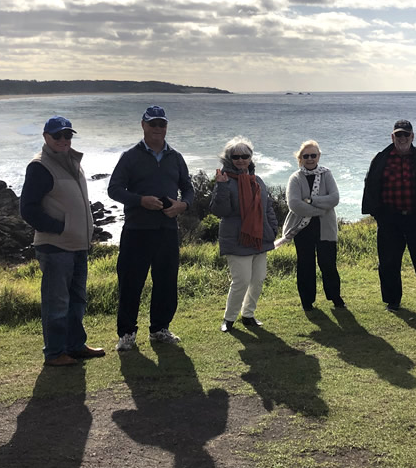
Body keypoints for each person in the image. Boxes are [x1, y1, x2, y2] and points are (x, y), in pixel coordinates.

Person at [19, 116, 105, 367]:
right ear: (46, 137)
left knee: (77, 300)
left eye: (67, 135)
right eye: (57, 136)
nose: (63, 140)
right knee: (57, 303)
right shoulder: (40, 166)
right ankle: (55, 353)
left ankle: (75, 345)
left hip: (77, 245)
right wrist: (61, 228)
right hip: (56, 246)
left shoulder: (73, 161)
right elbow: (28, 209)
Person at [108, 105, 194, 348]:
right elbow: (114, 189)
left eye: (161, 124)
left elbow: (188, 188)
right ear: (143, 125)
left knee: (166, 282)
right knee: (130, 283)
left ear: (166, 127)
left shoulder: (175, 157)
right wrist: (140, 201)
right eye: (153, 124)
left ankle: (159, 329)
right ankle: (127, 334)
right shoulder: (130, 156)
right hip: (136, 230)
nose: (157, 128)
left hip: (167, 230)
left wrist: (183, 205)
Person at [361, 119, 416, 314]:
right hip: (389, 219)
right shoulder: (381, 158)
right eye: (398, 134)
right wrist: (377, 214)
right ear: (392, 136)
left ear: (412, 136)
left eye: (406, 134)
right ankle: (392, 301)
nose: (402, 138)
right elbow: (370, 185)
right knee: (388, 262)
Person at [210, 136, 278, 332]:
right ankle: (229, 319)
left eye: (245, 156)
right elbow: (220, 211)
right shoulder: (225, 180)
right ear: (229, 159)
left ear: (250, 158)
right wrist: (221, 187)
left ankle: (248, 315)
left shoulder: (257, 180)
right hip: (236, 238)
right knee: (241, 280)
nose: (240, 160)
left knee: (258, 279)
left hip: (260, 238)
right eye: (236, 156)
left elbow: (268, 207)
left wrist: (272, 228)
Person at [277, 140, 345, 311]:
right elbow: (294, 204)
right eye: (306, 156)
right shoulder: (295, 178)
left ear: (318, 156)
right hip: (302, 229)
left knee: (328, 264)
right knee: (305, 265)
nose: (310, 159)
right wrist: (321, 209)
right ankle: (307, 302)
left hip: (325, 228)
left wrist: (311, 200)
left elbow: (334, 198)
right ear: (300, 158)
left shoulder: (326, 174)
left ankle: (335, 297)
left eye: (313, 155)